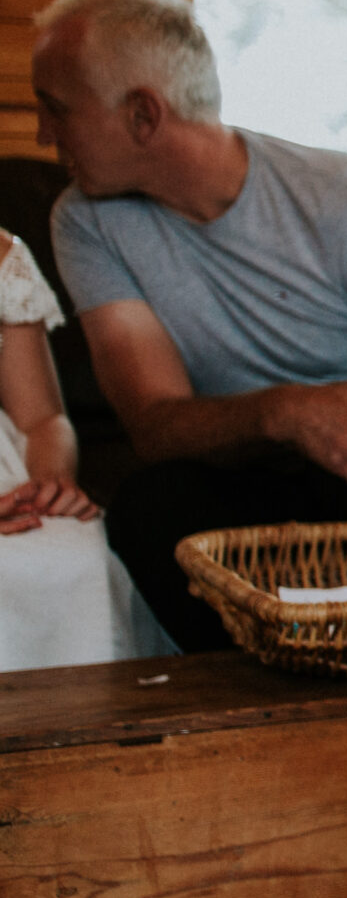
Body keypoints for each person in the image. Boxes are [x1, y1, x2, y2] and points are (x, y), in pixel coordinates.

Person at [28, 0, 347, 652]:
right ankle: (276, 711)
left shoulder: (344, 197)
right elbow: (153, 422)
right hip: (251, 454)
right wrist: (286, 412)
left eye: (56, 109)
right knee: (149, 507)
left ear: (143, 115)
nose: (42, 133)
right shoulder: (87, 221)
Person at [0, 224, 171, 670]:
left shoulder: (3, 254)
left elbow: (41, 417)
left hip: (7, 478)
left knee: (74, 557)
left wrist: (49, 481)